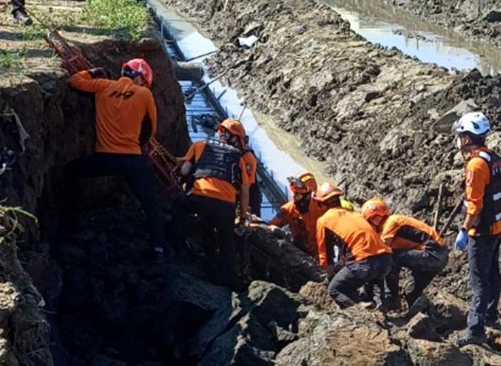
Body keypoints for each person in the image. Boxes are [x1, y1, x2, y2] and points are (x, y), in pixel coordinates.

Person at [61, 59, 166, 255]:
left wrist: (94, 71)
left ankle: (70, 225)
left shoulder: (103, 86)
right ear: (140, 78)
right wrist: (139, 144)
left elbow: (74, 80)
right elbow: (150, 129)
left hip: (104, 158)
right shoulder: (144, 94)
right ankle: (158, 247)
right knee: (150, 202)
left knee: (70, 172)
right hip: (133, 160)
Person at [174, 118, 258, 289]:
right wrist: (242, 215)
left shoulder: (200, 145)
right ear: (236, 138)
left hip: (201, 197)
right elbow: (244, 190)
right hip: (226, 206)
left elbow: (184, 170)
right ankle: (226, 279)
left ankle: (176, 244)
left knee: (179, 204)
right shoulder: (239, 157)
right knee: (226, 241)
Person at [452, 111, 501, 347]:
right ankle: (491, 315)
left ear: (468, 138)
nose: (458, 140)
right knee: (492, 273)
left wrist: (465, 231)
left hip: (483, 231)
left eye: (460, 135)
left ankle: (476, 329)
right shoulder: (494, 158)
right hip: (497, 225)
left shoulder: (476, 165)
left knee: (478, 281)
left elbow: (475, 206)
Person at [314, 182, 393, 308]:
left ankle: (361, 313)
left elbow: (325, 255)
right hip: (385, 259)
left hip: (363, 262)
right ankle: (382, 312)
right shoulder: (356, 214)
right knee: (375, 288)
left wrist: (331, 276)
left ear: (320, 204)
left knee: (335, 289)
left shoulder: (323, 221)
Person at [361, 198, 447, 311]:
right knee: (411, 292)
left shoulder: (391, 222)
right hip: (435, 255)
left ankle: (392, 299)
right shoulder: (388, 225)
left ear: (374, 219)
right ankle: (417, 314)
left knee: (390, 258)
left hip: (433, 254)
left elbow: (382, 251)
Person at [267, 172, 323, 257]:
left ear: (307, 195)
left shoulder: (320, 208)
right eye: (293, 193)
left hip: (319, 254)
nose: (293, 196)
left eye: (297, 194)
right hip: (298, 253)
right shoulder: (289, 209)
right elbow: (271, 225)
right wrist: (275, 230)